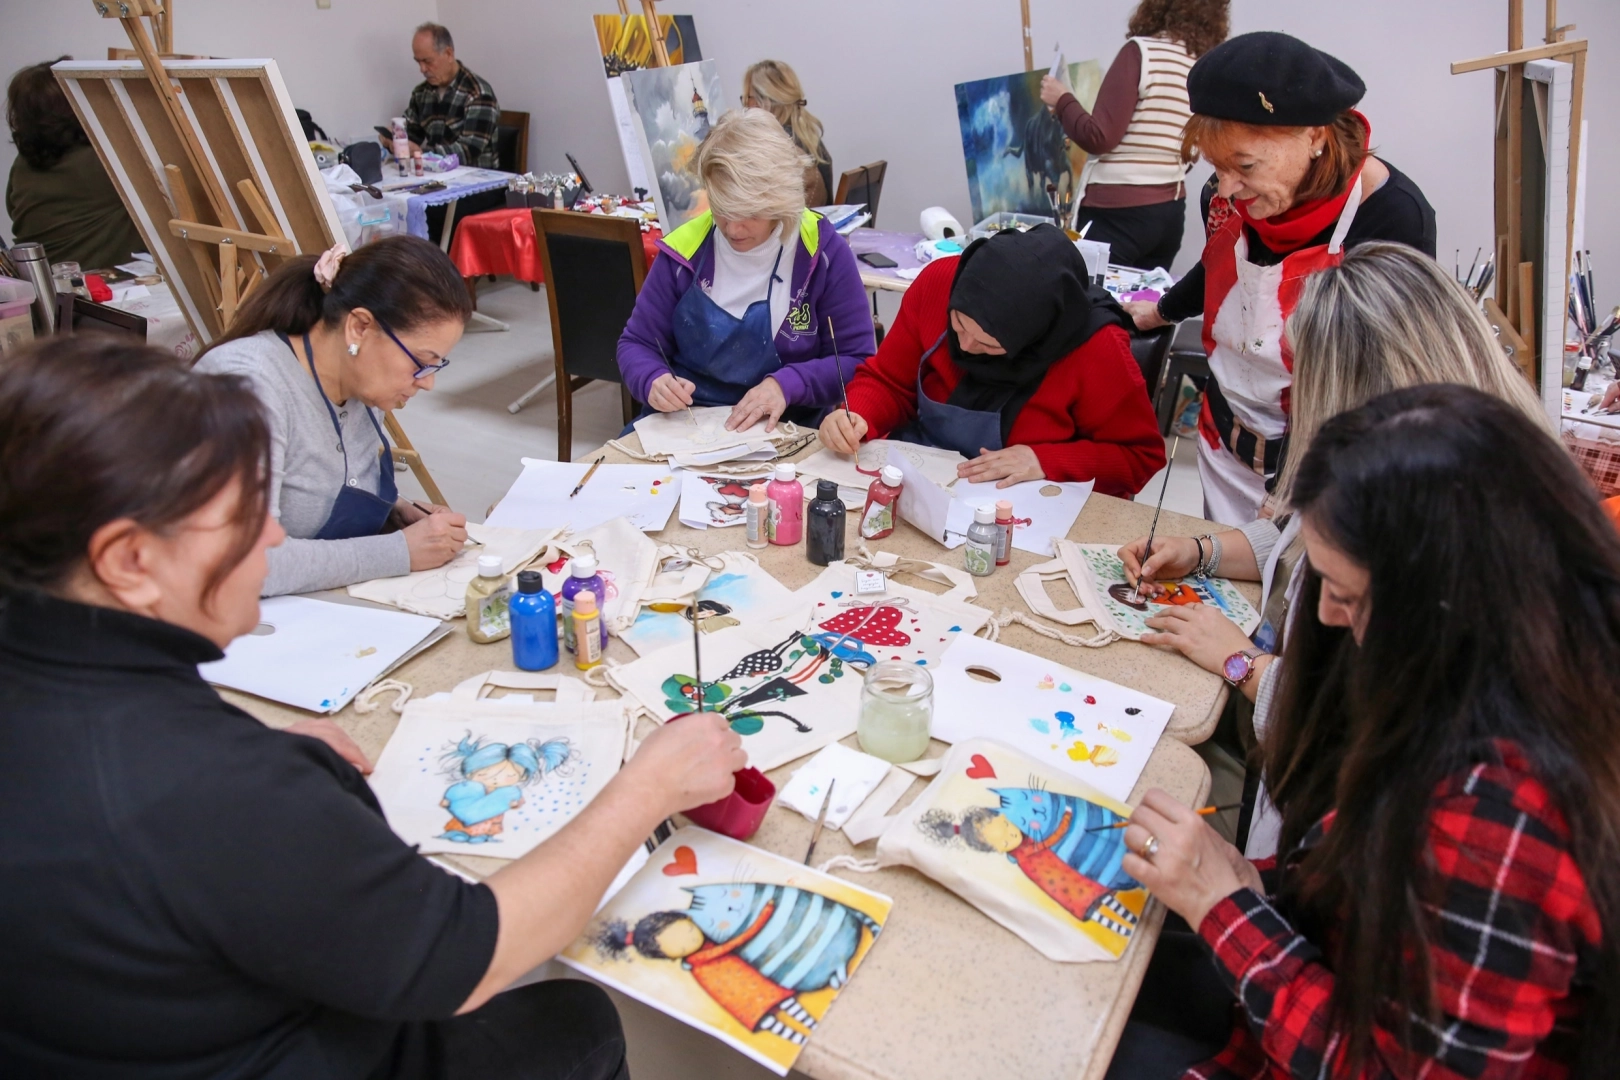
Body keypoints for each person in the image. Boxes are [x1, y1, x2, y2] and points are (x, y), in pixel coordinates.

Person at [0, 335, 747, 1077]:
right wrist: (646, 789)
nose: (275, 534)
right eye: (243, 515)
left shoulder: (57, 675)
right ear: (129, 560)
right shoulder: (202, 784)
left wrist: (263, 761)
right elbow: (464, 957)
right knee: (577, 1018)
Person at [1105, 384, 1618, 1079]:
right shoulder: (1477, 687)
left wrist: (1222, 905)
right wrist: (1257, 888)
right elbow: (1360, 894)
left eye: (1346, 596)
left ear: (1445, 598)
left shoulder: (1501, 814)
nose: (1328, 618)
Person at [1118, 244, 1550, 857]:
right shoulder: (1406, 459)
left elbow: (1355, 724)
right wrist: (1202, 550)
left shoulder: (1438, 526)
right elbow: (1293, 536)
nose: (1293, 394)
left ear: (1359, 383)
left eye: (1304, 374)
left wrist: (1241, 662)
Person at [1126, 31, 1437, 525]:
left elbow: (1380, 376)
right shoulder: (1227, 196)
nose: (1227, 188)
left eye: (1245, 165)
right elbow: (1217, 266)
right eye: (1217, 166)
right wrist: (1162, 310)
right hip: (1227, 441)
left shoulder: (1392, 216)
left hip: (1322, 461)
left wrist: (1301, 478)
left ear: (1315, 136)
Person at [194, 235, 472, 597]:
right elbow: (244, 564)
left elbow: (313, 483)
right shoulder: (246, 388)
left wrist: (395, 510)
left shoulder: (358, 383)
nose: (428, 383)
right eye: (420, 362)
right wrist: (399, 551)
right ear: (360, 327)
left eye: (436, 366)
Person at [818, 224, 1165, 495]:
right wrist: (857, 415)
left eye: (988, 343)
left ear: (1031, 336)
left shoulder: (1096, 348)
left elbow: (1139, 457)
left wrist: (1045, 460)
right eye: (957, 325)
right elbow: (890, 382)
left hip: (1023, 503)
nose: (965, 346)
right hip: (925, 478)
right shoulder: (939, 284)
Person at [617, 108, 874, 432]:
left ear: (780, 198)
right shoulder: (684, 253)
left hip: (787, 430)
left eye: (749, 212)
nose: (733, 228)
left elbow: (857, 361)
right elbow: (637, 344)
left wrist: (787, 385)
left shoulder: (822, 254)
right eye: (722, 208)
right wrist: (652, 379)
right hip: (688, 426)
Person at [1038, 0, 1229, 270]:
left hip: (1116, 214)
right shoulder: (1201, 66)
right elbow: (1190, 152)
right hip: (1170, 212)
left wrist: (1062, 99)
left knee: (1094, 295)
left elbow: (1099, 137)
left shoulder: (1141, 53)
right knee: (1144, 296)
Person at [5, 58, 145, 270]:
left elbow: (13, 210)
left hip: (40, 280)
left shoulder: (23, 164)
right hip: (97, 282)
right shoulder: (107, 158)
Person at [400, 22, 500, 169]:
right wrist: (396, 140)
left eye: (427, 61)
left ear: (448, 54)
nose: (422, 69)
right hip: (436, 175)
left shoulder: (478, 92)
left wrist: (422, 153)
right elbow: (412, 134)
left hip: (474, 177)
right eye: (418, 62)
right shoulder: (421, 92)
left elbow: (468, 151)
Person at [743, 60, 833, 207]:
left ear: (764, 101)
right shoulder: (809, 136)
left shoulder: (777, 147)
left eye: (747, 98)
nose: (746, 106)